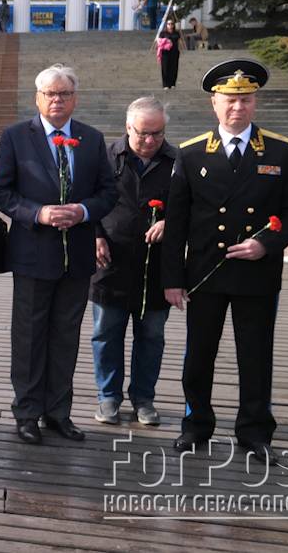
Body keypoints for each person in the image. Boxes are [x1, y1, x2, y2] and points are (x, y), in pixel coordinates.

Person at [162, 59, 288, 463]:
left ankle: (255, 431)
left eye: (245, 99)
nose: (237, 108)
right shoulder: (191, 153)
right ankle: (196, 425)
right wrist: (172, 279)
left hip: (257, 272)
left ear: (255, 102)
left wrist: (268, 244)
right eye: (229, 99)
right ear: (214, 103)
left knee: (256, 355)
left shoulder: (281, 150)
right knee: (199, 355)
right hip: (206, 272)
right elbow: (176, 223)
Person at [0, 64, 118, 444]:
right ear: (37, 98)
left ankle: (58, 412)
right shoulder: (16, 136)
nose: (57, 100)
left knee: (66, 336)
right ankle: (27, 412)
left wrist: (82, 211)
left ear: (75, 98)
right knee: (29, 337)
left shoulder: (92, 139)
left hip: (77, 257)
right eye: (50, 93)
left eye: (64, 93)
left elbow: (108, 192)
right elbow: (0, 191)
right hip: (32, 253)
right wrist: (38, 213)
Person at [89, 96, 176, 427]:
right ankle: (108, 396)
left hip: (156, 266)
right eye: (143, 133)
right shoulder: (106, 157)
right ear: (128, 128)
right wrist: (95, 234)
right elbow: (88, 200)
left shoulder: (177, 160)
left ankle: (144, 397)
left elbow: (193, 205)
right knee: (106, 332)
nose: (151, 141)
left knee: (151, 335)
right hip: (110, 261)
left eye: (158, 133)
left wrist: (171, 221)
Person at [156, 18, 182, 89]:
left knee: (174, 68)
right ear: (166, 25)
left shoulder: (176, 33)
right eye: (169, 24)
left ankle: (172, 83)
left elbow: (179, 41)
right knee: (165, 68)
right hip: (165, 53)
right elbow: (159, 42)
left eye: (172, 24)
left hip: (174, 52)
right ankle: (165, 84)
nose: (170, 25)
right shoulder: (163, 33)